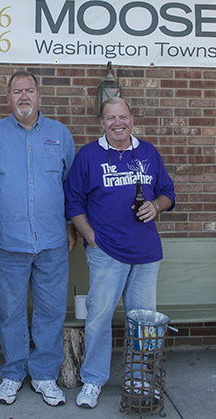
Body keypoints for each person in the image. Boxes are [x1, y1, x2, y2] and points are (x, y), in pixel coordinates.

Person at [64, 96, 175, 409]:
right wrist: (91, 238)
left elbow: (168, 191)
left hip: (146, 253)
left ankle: (138, 378)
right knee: (98, 317)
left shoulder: (148, 152)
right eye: (111, 118)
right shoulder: (88, 155)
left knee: (143, 321)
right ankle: (93, 380)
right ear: (102, 122)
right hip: (106, 252)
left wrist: (156, 205)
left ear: (132, 119)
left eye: (123, 117)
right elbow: (73, 201)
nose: (117, 123)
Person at [0, 70, 76, 407]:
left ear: (39, 96)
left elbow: (70, 187)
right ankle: (13, 374)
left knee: (50, 311)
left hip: (51, 242)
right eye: (16, 91)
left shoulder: (60, 135)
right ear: (8, 98)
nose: (23, 97)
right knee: (11, 311)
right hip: (9, 242)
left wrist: (71, 226)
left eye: (29, 90)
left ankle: (45, 375)